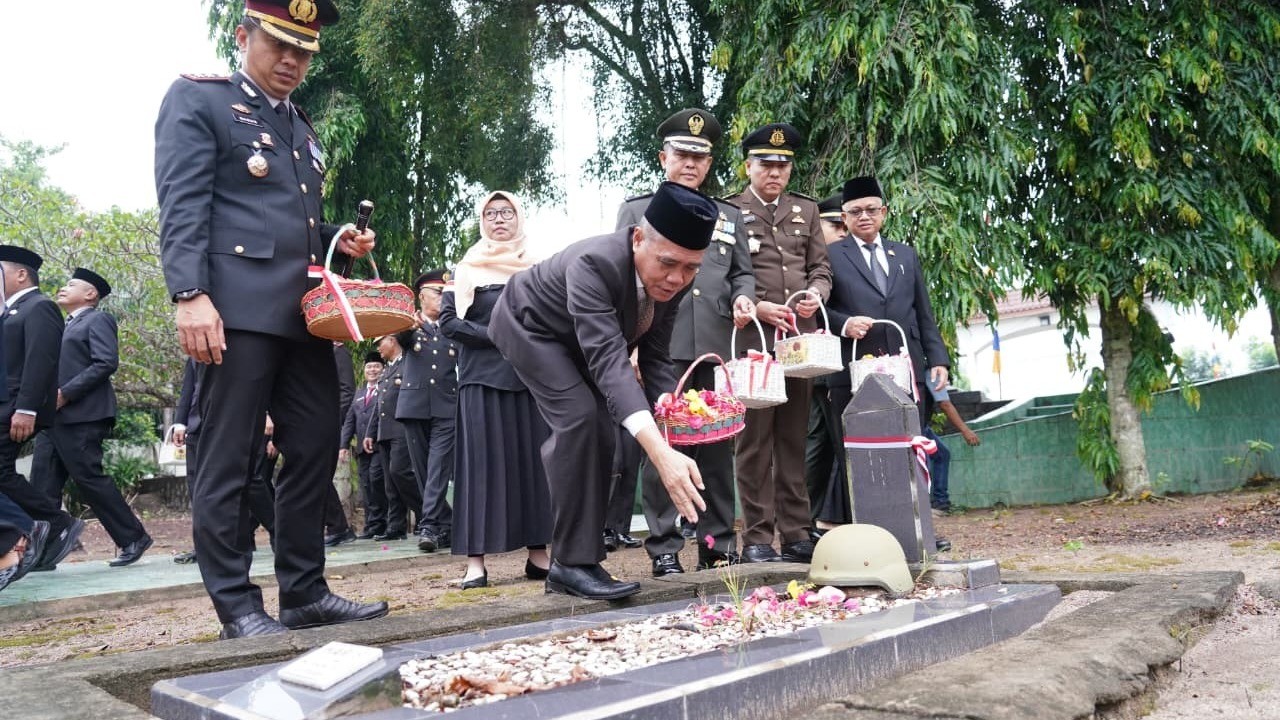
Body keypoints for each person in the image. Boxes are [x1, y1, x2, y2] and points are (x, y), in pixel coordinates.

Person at [155, 1, 387, 638]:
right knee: (228, 460)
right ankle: (236, 605)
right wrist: (188, 295)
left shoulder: (300, 127)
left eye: (304, 51)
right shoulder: (200, 102)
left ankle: (304, 591)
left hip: (304, 320)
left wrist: (341, 237)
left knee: (313, 444)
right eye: (279, 44)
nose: (291, 61)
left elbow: (292, 226)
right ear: (243, 35)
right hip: (233, 314)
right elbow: (182, 204)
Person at [488, 181, 715, 601]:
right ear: (637, 238)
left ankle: (581, 559)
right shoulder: (594, 262)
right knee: (580, 418)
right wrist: (660, 454)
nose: (676, 278)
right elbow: (611, 363)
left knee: (604, 429)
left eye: (691, 268)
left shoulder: (670, 283)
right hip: (528, 327)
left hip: (577, 341)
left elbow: (656, 357)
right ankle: (569, 566)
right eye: (668, 263)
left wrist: (673, 414)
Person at [617, 109, 756, 576]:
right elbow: (623, 281)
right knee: (665, 445)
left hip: (714, 346)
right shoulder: (638, 211)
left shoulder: (729, 214)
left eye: (701, 156)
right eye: (682, 154)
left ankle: (716, 543)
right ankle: (664, 548)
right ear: (663, 158)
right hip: (661, 345)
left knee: (718, 449)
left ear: (710, 163)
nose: (691, 163)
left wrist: (743, 300)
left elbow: (742, 275)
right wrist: (631, 343)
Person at [818, 175, 951, 528]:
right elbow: (816, 309)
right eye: (855, 211)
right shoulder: (829, 256)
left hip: (906, 370)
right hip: (853, 372)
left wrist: (938, 359)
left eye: (871, 210)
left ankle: (918, 528)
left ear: (884, 213)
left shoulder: (904, 254)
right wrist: (844, 324)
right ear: (844, 218)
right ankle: (865, 532)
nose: (864, 216)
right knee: (860, 453)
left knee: (910, 446)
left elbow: (923, 311)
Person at [727, 123, 832, 564]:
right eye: (766, 164)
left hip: (798, 344)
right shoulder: (731, 211)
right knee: (754, 443)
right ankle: (756, 538)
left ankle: (795, 533)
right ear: (748, 166)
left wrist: (817, 295)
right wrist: (757, 306)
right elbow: (726, 275)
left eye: (782, 165)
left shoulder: (805, 211)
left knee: (793, 440)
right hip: (753, 339)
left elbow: (821, 268)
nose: (775, 172)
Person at [440, 191, 552, 588]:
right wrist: (497, 336)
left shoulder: (538, 266)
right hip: (481, 381)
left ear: (519, 217)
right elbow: (449, 323)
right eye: (490, 213)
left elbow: (552, 318)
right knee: (481, 469)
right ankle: (476, 565)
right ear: (481, 220)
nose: (499, 219)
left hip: (530, 379)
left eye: (506, 212)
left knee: (535, 465)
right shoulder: (467, 267)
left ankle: (539, 557)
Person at [31, 268, 153, 567]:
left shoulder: (97, 319)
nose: (62, 288)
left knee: (89, 478)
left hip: (83, 415)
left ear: (90, 294)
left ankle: (133, 537)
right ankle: (46, 551)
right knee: (42, 483)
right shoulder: (63, 325)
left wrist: (66, 394)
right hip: (53, 417)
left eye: (70, 285)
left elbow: (106, 362)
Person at [0, 246, 85, 572]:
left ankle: (52, 523)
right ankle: (49, 529)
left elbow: (41, 361)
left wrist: (27, 409)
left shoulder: (39, 306)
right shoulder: (10, 311)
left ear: (21, 274)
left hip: (16, 409)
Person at [395, 270, 458, 553]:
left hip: (446, 406)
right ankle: (447, 524)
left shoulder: (453, 326)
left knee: (437, 468)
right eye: (438, 294)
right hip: (414, 405)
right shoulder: (410, 324)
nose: (444, 299)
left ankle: (430, 524)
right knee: (422, 470)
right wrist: (409, 321)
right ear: (422, 296)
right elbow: (402, 336)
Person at [805, 193, 848, 537]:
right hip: (822, 365)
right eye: (835, 224)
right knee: (825, 446)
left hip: (829, 366)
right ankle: (812, 521)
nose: (842, 231)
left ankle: (812, 521)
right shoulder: (820, 259)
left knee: (824, 446)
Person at [364, 334, 421, 540]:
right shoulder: (388, 369)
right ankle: (396, 527)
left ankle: (430, 516)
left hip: (402, 430)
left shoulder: (408, 364)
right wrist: (371, 433)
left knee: (401, 473)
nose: (378, 348)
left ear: (391, 340)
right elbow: (381, 405)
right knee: (390, 483)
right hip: (385, 433)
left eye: (380, 343)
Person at [340, 352, 388, 539]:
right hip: (361, 449)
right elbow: (349, 421)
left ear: (383, 369)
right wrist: (343, 445)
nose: (372, 370)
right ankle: (371, 525)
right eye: (369, 367)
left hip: (379, 446)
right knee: (366, 485)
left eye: (377, 366)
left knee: (377, 481)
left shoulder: (386, 389)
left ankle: (381, 522)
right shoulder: (359, 394)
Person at [323, 343, 356, 547]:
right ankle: (336, 526)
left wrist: (332, 420)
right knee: (314, 474)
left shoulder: (337, 349)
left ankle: (338, 527)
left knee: (319, 474)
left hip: (327, 420)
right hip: (307, 419)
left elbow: (346, 390)